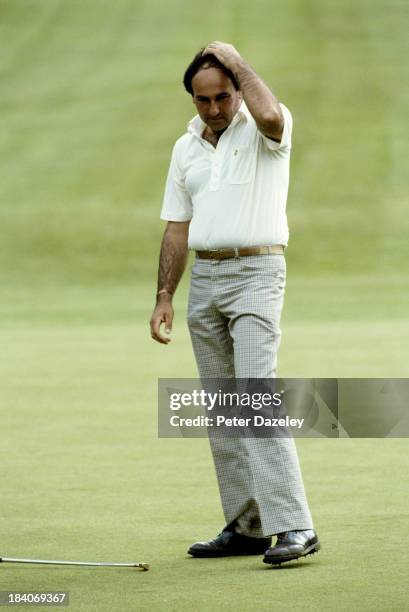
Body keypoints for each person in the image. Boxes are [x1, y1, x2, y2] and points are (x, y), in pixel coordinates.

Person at [150, 41, 320, 566]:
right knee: (224, 409)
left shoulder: (266, 127)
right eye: (203, 101)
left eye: (223, 97)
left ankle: (295, 525)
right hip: (206, 278)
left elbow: (267, 112)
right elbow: (177, 226)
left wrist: (236, 59)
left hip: (257, 273)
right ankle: (248, 526)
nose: (215, 109)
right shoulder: (186, 149)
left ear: (237, 91)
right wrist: (164, 296)